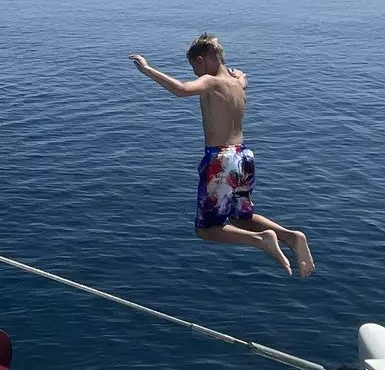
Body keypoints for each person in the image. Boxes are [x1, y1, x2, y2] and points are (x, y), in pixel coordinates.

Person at [130, 33, 314, 276]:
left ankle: (263, 240)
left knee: (206, 230)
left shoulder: (211, 81)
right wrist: (240, 75)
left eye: (194, 66)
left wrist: (147, 69)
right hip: (243, 157)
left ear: (201, 59)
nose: (196, 73)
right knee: (240, 218)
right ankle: (290, 236)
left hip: (221, 161)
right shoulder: (237, 83)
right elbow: (242, 77)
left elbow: (182, 89)